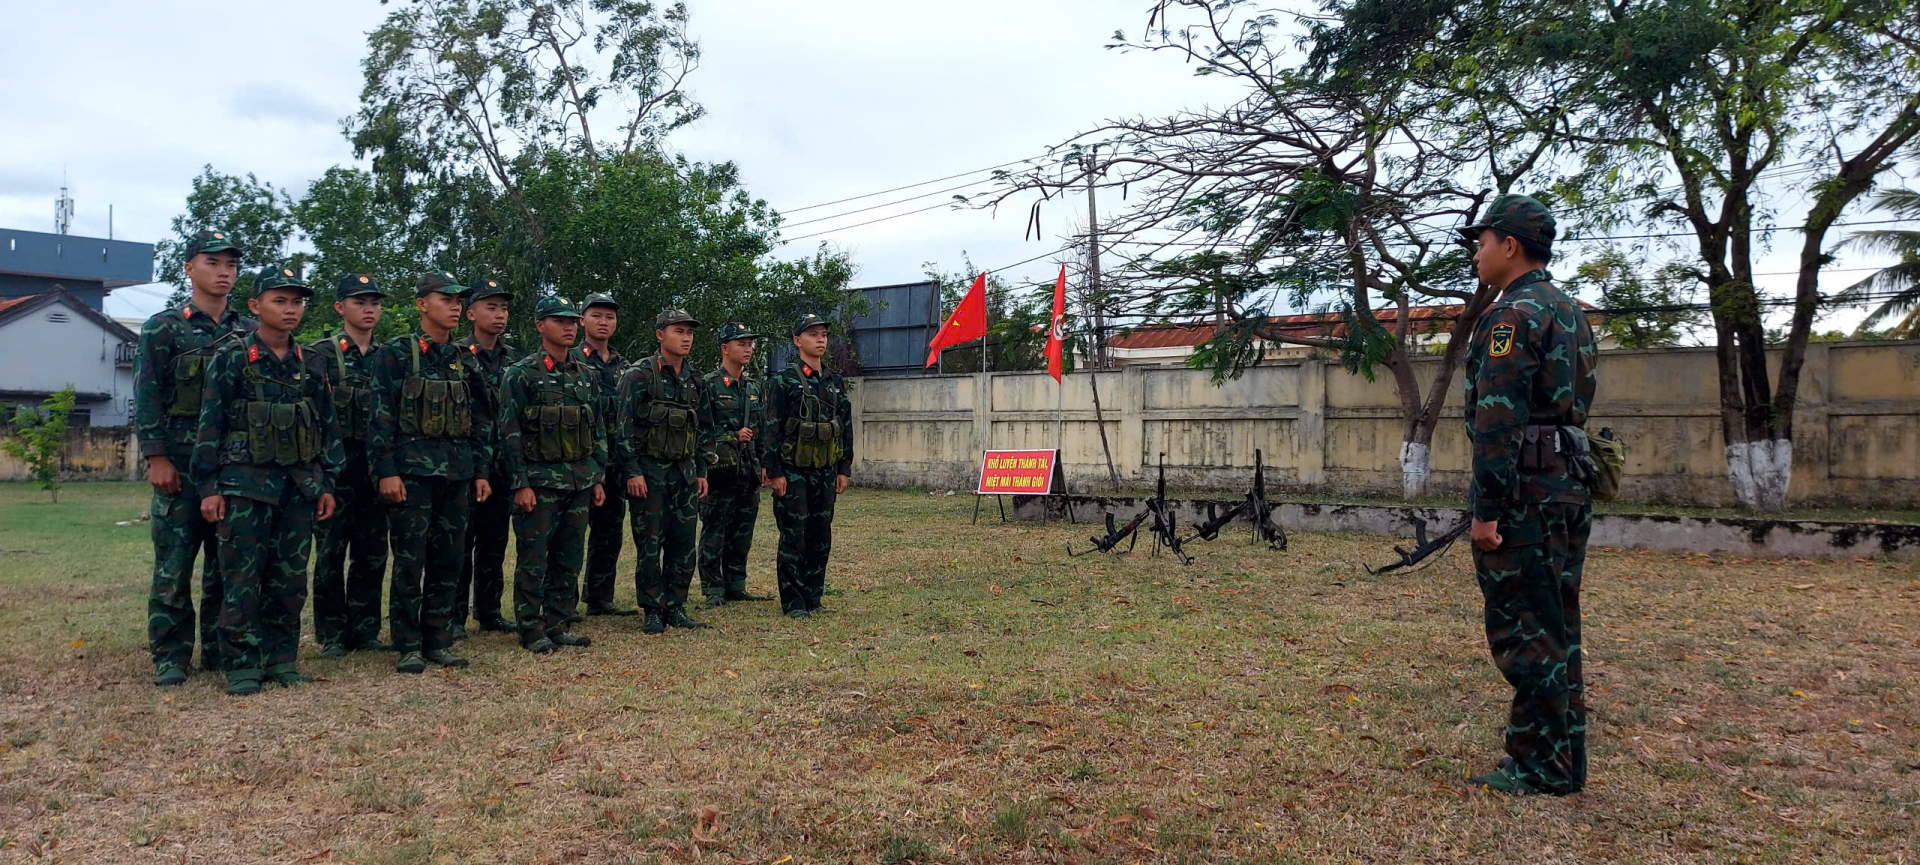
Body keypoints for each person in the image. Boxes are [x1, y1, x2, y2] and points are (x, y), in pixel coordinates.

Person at [1457, 194, 1599, 796]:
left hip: (1525, 499)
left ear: (1509, 245)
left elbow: (1499, 422)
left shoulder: (1512, 316)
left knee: (1526, 632)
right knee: (1557, 624)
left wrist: (1487, 512)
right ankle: (1561, 761)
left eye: (1482, 241)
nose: (1477, 252)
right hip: (1566, 488)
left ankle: (1540, 768)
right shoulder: (1569, 310)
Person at [191, 265, 345, 696]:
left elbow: (327, 430)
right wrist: (208, 487)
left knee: (290, 580)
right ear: (256, 306)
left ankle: (281, 659)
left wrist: (327, 482)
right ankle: (241, 663)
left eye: (297, 301)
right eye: (280, 300)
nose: (291, 308)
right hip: (243, 487)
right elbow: (211, 426)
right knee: (240, 579)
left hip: (298, 488)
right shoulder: (232, 357)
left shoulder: (313, 363)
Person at [135, 229, 251, 686]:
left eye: (231, 265)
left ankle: (221, 650)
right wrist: (155, 456)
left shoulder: (247, 331)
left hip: (234, 465)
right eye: (212, 263)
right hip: (179, 466)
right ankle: (170, 655)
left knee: (227, 564)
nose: (223, 273)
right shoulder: (163, 327)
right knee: (175, 563)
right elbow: (146, 395)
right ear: (188, 268)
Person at [367, 272, 497, 673]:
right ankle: (407, 643)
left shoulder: (463, 358)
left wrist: (480, 472)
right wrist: (385, 472)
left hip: (457, 476)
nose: (455, 306)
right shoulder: (396, 354)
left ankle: (438, 640)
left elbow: (481, 421)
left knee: (449, 560)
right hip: (412, 476)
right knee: (410, 561)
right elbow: (380, 418)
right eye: (446, 299)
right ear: (422, 303)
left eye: (459, 299)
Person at [499, 297, 608, 652]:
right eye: (559, 320)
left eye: (572, 321)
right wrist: (520, 484)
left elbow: (598, 429)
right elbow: (510, 433)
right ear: (539, 325)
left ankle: (558, 623)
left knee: (569, 557)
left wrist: (597, 476)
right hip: (539, 483)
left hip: (578, 482)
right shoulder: (521, 374)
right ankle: (530, 628)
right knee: (534, 559)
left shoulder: (585, 374)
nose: (569, 327)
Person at [613, 308, 715, 635]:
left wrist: (702, 470)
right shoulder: (638, 376)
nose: (685, 338)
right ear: (660, 335)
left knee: (684, 544)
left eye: (689, 332)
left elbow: (706, 430)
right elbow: (622, 429)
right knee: (649, 544)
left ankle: (677, 605)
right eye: (678, 331)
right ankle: (652, 609)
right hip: (649, 476)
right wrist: (632, 472)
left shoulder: (697, 380)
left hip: (684, 475)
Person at [308, 273, 392, 658]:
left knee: (372, 552)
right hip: (334, 470)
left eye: (374, 302)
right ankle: (331, 634)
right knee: (329, 554)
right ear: (340, 307)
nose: (369, 309)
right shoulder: (319, 355)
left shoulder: (388, 357)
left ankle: (366, 629)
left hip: (375, 469)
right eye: (360, 302)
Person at [762, 314, 853, 619]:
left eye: (824, 334)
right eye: (813, 334)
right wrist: (774, 472)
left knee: (820, 535)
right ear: (797, 341)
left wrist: (844, 468)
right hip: (793, 472)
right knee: (794, 536)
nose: (821, 339)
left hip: (826, 472)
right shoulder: (782, 381)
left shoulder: (834, 381)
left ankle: (814, 597)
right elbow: (771, 428)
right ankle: (794, 601)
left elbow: (845, 425)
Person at [453, 278, 519, 638]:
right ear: (471, 313)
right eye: (491, 307)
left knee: (495, 542)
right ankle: (454, 615)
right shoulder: (457, 356)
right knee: (461, 544)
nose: (499, 314)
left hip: (502, 466)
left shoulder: (515, 360)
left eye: (503, 308)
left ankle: (490, 611)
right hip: (466, 463)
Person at [699, 321, 772, 606]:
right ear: (724, 348)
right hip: (719, 471)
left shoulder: (753, 387)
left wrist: (764, 462)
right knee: (715, 532)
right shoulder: (708, 385)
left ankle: (736, 585)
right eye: (741, 343)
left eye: (750, 343)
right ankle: (713, 589)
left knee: (742, 533)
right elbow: (701, 431)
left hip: (748, 472)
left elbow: (761, 428)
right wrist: (732, 435)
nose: (748, 348)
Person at [575, 292, 638, 618]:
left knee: (610, 532)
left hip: (616, 462)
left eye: (609, 316)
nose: (603, 322)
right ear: (582, 319)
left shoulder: (624, 365)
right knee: (569, 536)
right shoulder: (571, 360)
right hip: (579, 461)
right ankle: (562, 604)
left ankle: (600, 598)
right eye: (596, 315)